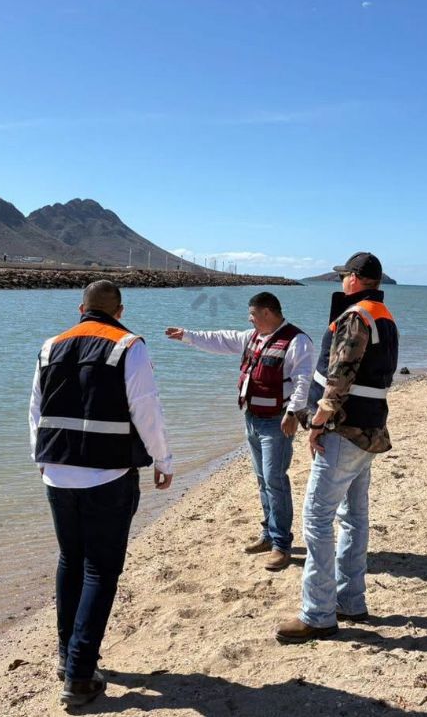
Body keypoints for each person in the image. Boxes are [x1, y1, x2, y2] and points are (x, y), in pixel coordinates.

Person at [30, 280, 174, 707]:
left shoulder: (50, 345)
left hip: (56, 472)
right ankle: (78, 674)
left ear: (81, 308)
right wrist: (163, 460)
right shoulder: (128, 345)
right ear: (120, 310)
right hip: (106, 475)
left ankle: (67, 657)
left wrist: (40, 458)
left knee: (70, 561)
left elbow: (35, 408)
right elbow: (146, 407)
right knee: (99, 570)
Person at [276, 252, 398, 644]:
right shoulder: (384, 315)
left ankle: (318, 614)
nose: (342, 280)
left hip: (343, 431)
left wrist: (318, 421)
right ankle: (350, 600)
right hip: (369, 429)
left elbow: (340, 373)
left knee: (317, 518)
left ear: (357, 278)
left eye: (345, 275)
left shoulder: (357, 316)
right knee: (354, 517)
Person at [164, 291, 313, 571]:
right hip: (252, 418)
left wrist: (293, 412)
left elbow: (304, 380)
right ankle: (268, 535)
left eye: (253, 315)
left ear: (267, 313)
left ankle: (282, 545)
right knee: (262, 479)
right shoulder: (252, 337)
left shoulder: (297, 341)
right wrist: (187, 335)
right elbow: (221, 339)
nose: (250, 320)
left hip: (277, 421)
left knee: (274, 480)